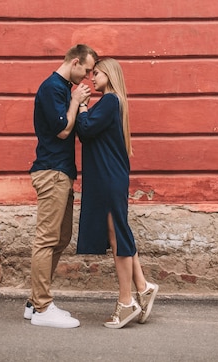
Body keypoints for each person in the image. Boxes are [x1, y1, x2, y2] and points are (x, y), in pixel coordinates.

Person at [76, 57, 158, 329]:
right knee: (119, 232)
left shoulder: (109, 101)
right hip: (111, 176)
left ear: (109, 75)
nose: (92, 78)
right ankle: (142, 288)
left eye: (96, 73)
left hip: (108, 177)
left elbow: (86, 130)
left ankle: (126, 302)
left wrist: (82, 106)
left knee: (116, 235)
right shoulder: (116, 102)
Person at [25, 43, 98, 328]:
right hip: (51, 172)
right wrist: (74, 100)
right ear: (76, 62)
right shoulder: (53, 87)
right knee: (46, 239)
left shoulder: (63, 88)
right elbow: (63, 129)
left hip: (62, 172)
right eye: (88, 70)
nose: (89, 76)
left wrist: (78, 103)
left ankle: (33, 303)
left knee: (61, 238)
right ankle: (43, 308)